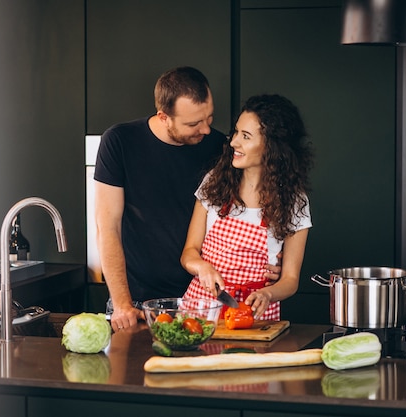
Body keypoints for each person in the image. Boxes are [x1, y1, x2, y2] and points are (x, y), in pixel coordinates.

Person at [94, 67, 282, 332]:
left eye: (209, 117)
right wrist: (122, 303)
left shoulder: (219, 146)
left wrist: (272, 256)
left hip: (203, 302)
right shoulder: (120, 142)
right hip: (136, 303)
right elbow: (107, 227)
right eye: (194, 124)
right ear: (164, 117)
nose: (206, 129)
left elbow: (252, 205)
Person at [181, 94, 314, 320]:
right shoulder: (215, 182)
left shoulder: (294, 201)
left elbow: (290, 280)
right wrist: (202, 267)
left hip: (255, 317)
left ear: (271, 146)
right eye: (236, 132)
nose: (233, 142)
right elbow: (189, 253)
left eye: (246, 136)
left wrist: (268, 293)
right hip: (202, 310)